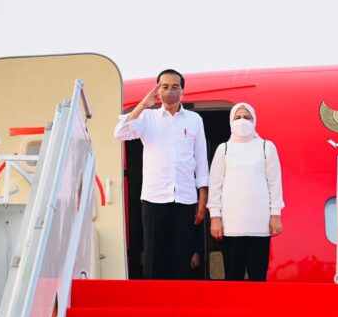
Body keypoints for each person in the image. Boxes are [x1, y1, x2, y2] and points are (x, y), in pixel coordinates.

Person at [114, 69, 209, 279]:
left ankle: (179, 306)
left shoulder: (194, 120)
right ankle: (152, 305)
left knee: (181, 257)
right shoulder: (147, 117)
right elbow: (120, 132)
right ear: (157, 90)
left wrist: (202, 199)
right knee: (154, 257)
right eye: (164, 86)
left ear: (183, 91)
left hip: (185, 197)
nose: (170, 90)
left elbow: (201, 162)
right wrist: (143, 104)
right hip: (154, 196)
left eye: (175, 86)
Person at [206, 102, 284, 281]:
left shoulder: (266, 147)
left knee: (258, 276)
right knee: (233, 277)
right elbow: (215, 186)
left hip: (260, 225)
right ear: (231, 121)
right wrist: (215, 218)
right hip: (232, 226)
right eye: (238, 117)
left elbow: (275, 184)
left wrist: (276, 215)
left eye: (247, 118)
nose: (242, 122)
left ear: (254, 120)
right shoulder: (224, 149)